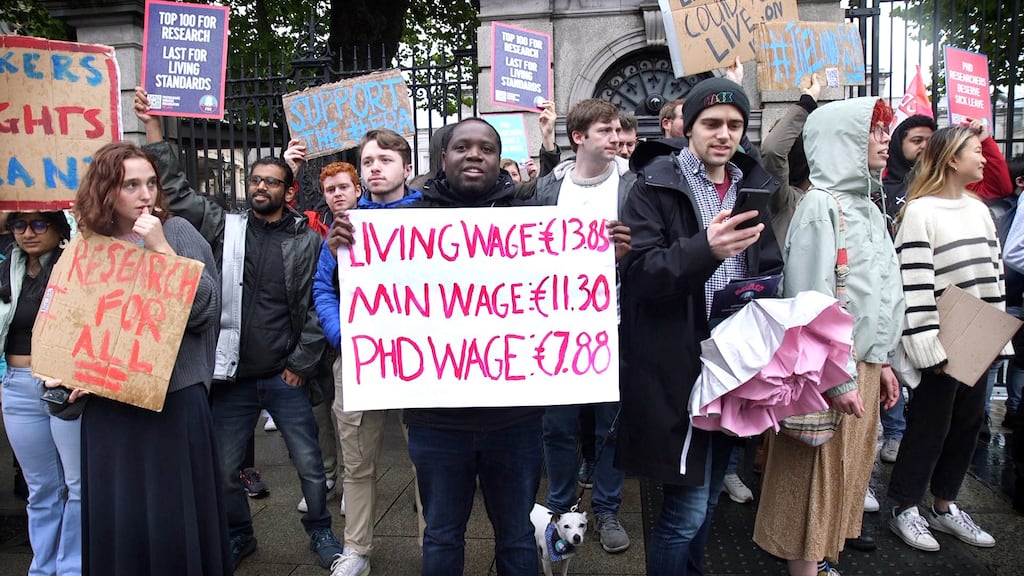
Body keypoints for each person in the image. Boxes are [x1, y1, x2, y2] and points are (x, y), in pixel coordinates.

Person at [328, 117, 542, 575]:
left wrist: (606, 259)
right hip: (436, 419)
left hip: (515, 417)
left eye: (485, 148)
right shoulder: (403, 223)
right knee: (442, 535)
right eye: (462, 146)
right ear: (442, 159)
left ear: (497, 159)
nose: (473, 155)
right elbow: (339, 290)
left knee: (518, 535)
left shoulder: (531, 222)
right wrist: (340, 252)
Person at [135, 111, 343, 568]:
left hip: (285, 377)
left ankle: (321, 531)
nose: (260, 187)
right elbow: (175, 190)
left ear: (289, 191)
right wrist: (153, 130)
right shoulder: (223, 227)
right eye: (255, 180)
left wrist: (301, 365)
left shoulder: (307, 241)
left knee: (310, 466)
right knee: (225, 471)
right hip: (230, 377)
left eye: (271, 181)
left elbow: (315, 306)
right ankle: (240, 533)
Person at [618, 77, 782, 575]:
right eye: (711, 123)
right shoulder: (655, 185)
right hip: (677, 363)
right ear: (689, 127)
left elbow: (768, 262)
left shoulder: (752, 185)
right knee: (685, 510)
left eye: (735, 125)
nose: (724, 134)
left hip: (736, 363)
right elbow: (640, 273)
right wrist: (704, 251)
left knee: (709, 500)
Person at [754, 97, 905, 576]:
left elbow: (877, 296)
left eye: (885, 131)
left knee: (839, 476)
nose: (885, 139)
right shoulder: (822, 205)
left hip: (859, 365)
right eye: (875, 131)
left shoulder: (867, 207)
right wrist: (836, 378)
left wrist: (882, 363)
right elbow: (809, 299)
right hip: (829, 369)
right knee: (812, 473)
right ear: (845, 140)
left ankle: (815, 562)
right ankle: (805, 568)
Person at [66, 141, 231, 575]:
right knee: (120, 517)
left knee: (172, 515)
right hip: (110, 407)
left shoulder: (177, 234)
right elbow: (72, 322)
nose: (145, 194)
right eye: (131, 185)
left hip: (172, 403)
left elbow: (204, 311)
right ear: (106, 191)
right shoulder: (89, 246)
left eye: (151, 184)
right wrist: (68, 372)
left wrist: (159, 250)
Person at [887, 125, 1009, 553]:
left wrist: (997, 340)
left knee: (967, 427)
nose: (984, 158)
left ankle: (944, 505)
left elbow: (993, 279)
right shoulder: (921, 212)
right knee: (929, 428)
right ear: (953, 160)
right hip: (942, 341)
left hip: (981, 337)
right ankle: (905, 506)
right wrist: (926, 346)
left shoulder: (979, 209)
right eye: (977, 151)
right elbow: (913, 285)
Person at [312, 129, 423, 576]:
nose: (375, 167)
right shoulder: (346, 224)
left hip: (422, 360)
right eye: (368, 161)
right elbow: (324, 287)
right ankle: (356, 549)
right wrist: (342, 335)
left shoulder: (431, 219)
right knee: (356, 461)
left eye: (385, 159)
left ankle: (430, 542)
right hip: (360, 360)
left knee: (428, 459)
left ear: (407, 169)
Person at [531, 98, 634, 554]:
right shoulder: (549, 188)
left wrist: (630, 253)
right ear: (578, 137)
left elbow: (650, 249)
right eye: (606, 131)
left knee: (609, 424)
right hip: (557, 327)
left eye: (617, 131)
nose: (616, 138)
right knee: (557, 424)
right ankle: (560, 504)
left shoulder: (633, 187)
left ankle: (607, 509)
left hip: (611, 324)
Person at [1, 210, 80, 576]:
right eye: (19, 224)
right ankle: (43, 568)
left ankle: (73, 568)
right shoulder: (6, 270)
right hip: (16, 386)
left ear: (59, 227)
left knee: (77, 485)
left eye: (38, 224)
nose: (27, 233)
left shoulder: (73, 265)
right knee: (41, 489)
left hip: (63, 384)